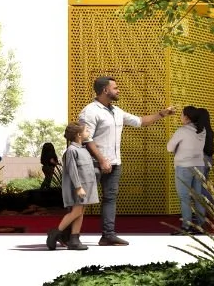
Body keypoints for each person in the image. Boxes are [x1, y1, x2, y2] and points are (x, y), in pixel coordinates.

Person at [79, 74, 176, 247]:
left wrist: (163, 113)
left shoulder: (117, 111)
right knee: (82, 199)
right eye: (115, 87)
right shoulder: (90, 111)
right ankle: (67, 234)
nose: (118, 90)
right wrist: (101, 160)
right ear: (105, 90)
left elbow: (140, 121)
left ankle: (108, 235)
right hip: (94, 163)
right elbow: (86, 139)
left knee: (110, 198)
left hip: (115, 163)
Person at [46, 121, 96, 251]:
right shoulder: (72, 150)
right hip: (78, 188)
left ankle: (74, 239)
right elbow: (72, 170)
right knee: (77, 211)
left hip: (86, 186)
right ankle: (56, 232)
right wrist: (78, 187)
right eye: (86, 131)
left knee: (80, 212)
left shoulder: (83, 149)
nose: (88, 132)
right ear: (79, 135)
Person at [168, 105, 211, 234]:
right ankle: (201, 225)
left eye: (181, 114)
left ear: (186, 117)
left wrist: (178, 148)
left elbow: (169, 148)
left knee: (184, 197)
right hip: (199, 166)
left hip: (184, 167)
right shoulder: (202, 131)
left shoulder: (182, 131)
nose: (180, 117)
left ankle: (186, 227)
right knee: (198, 196)